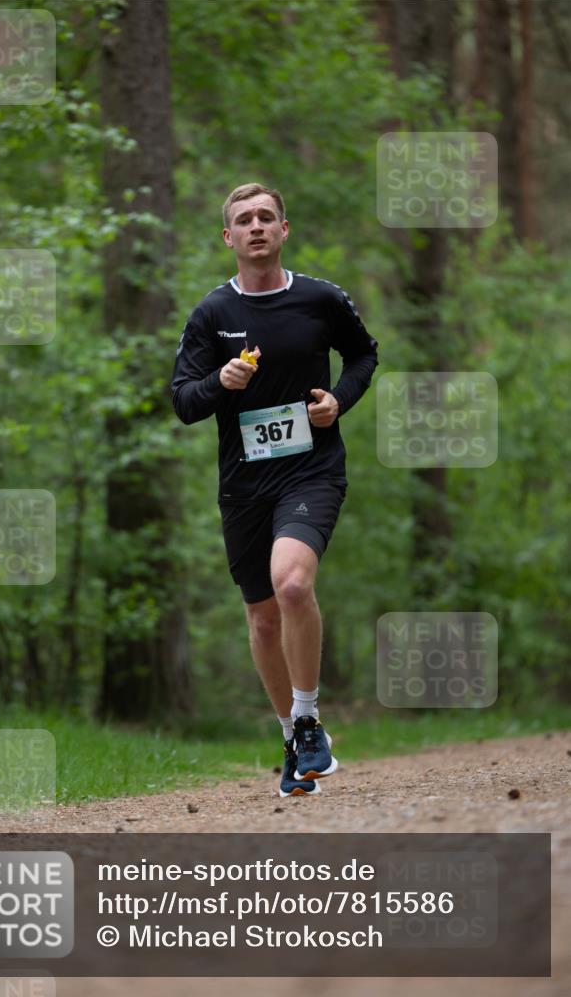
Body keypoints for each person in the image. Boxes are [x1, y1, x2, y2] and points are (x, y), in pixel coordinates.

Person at [171, 183, 378, 797]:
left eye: (266, 217)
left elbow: (364, 356)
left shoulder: (320, 299)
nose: (256, 226)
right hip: (244, 484)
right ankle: (293, 736)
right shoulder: (212, 315)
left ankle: (310, 718)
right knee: (261, 620)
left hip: (311, 471)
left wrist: (338, 401)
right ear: (228, 238)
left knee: (292, 582)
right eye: (243, 219)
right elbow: (183, 401)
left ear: (284, 230)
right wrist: (221, 382)